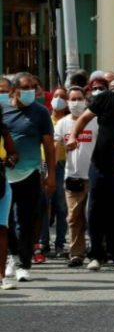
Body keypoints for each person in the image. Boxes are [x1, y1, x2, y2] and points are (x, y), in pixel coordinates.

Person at [68, 62, 114, 272]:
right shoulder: (104, 98)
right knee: (95, 210)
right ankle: (95, 254)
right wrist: (73, 136)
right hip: (100, 164)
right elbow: (84, 118)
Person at [2, 72, 56, 282]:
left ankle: (24, 263)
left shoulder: (40, 112)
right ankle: (12, 256)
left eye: (33, 87)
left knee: (26, 220)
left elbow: (49, 146)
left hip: (30, 173)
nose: (30, 92)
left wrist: (51, 175)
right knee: (4, 222)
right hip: (4, 175)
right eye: (25, 88)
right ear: (14, 90)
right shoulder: (3, 109)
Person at [53, 87, 98, 268]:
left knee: (93, 216)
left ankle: (97, 250)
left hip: (94, 176)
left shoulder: (95, 122)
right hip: (72, 176)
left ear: (86, 101)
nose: (76, 102)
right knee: (74, 217)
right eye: (72, 99)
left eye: (79, 98)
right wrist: (48, 171)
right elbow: (55, 148)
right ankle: (76, 254)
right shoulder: (62, 123)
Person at [41, 86, 69, 259]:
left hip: (62, 165)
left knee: (61, 206)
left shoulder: (69, 121)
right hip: (43, 164)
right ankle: (44, 242)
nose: (58, 99)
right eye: (56, 96)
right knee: (44, 205)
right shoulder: (45, 119)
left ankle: (60, 243)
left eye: (62, 96)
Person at [0, 109, 20, 289]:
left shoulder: (2, 129)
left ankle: (1, 277)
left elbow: (14, 153)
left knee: (2, 229)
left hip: (1, 184)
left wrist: (10, 160)